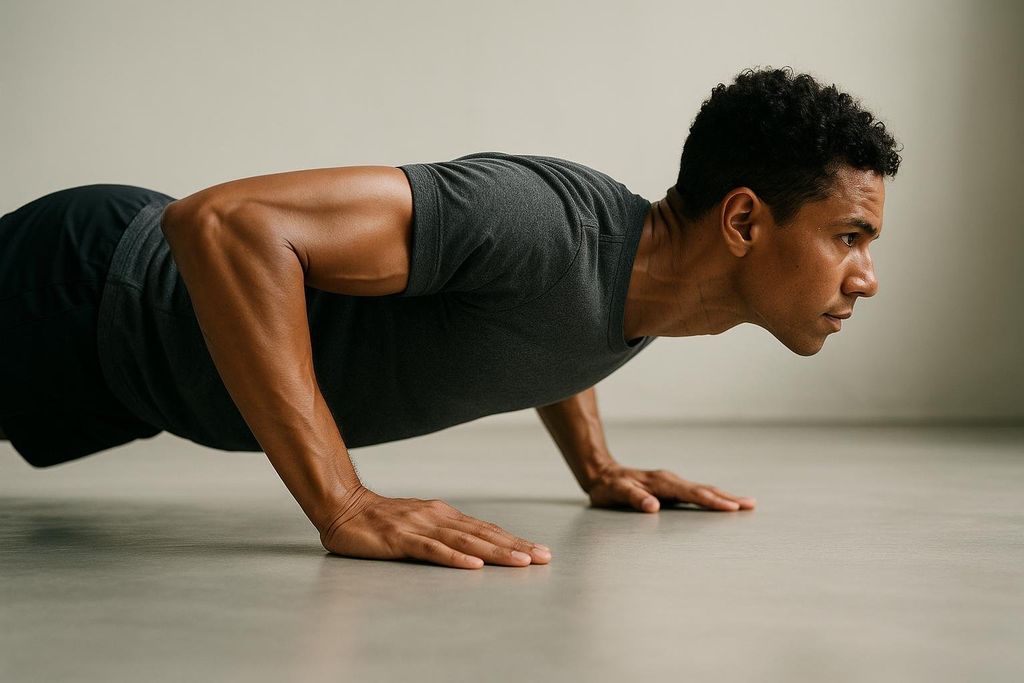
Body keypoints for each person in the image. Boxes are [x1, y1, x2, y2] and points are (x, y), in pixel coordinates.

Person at [0, 66, 901, 570]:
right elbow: (226, 225)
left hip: (132, 376)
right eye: (850, 236)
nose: (865, 278)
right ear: (744, 221)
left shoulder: (654, 284)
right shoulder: (539, 220)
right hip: (78, 289)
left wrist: (595, 464)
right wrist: (341, 500)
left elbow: (559, 321)